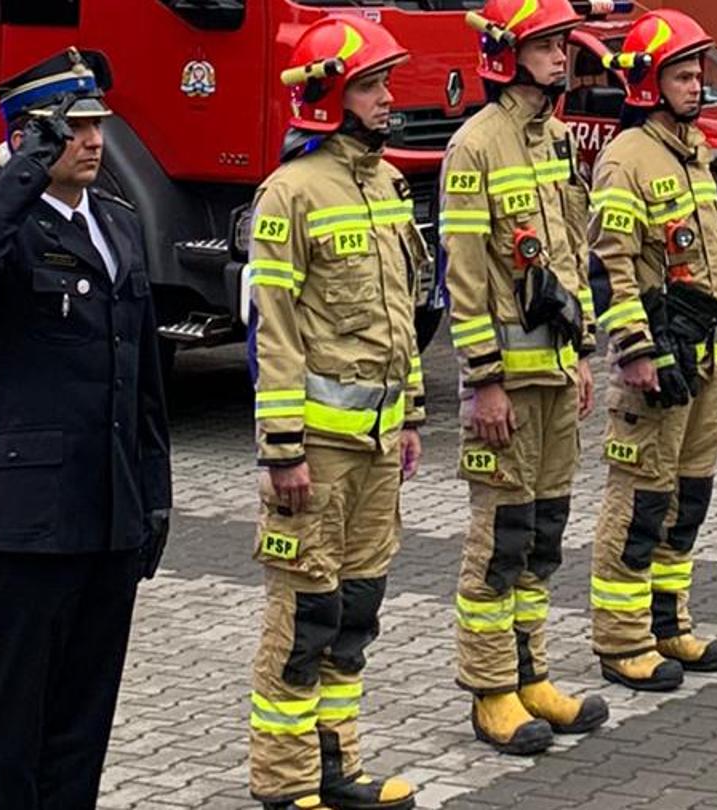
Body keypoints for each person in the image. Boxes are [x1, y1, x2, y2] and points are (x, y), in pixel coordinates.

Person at [0, 48, 172, 810]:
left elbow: (143, 381)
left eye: (98, 124)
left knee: (81, 728)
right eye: (73, 128)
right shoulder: (1, 226)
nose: (94, 141)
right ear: (30, 138)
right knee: (15, 731)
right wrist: (24, 167)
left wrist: (153, 494)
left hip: (108, 519)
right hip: (26, 526)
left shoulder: (118, 225)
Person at [241, 17, 428, 810]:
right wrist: (282, 449)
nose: (388, 99)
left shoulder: (386, 186)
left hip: (377, 448)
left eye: (385, 84)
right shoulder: (290, 194)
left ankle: (336, 768)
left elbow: (401, 314)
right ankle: (286, 785)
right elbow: (273, 333)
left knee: (354, 614)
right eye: (370, 86)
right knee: (304, 619)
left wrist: (411, 413)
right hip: (316, 452)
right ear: (326, 97)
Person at [442, 0, 607, 755]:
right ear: (507, 56)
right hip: (506, 384)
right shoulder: (475, 146)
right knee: (500, 540)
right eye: (546, 46)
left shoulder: (559, 138)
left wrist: (581, 353)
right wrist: (483, 381)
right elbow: (466, 278)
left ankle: (531, 674)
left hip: (554, 376)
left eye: (562, 45)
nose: (560, 58)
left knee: (544, 534)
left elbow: (569, 252)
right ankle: (490, 691)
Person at [584, 9, 717, 692]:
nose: (696, 85)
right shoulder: (628, 159)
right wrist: (634, 351)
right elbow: (610, 264)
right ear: (649, 83)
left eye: (697, 73)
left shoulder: (692, 150)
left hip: (700, 361)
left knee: (689, 497)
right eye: (682, 75)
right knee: (641, 504)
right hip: (656, 366)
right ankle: (622, 639)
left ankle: (669, 621)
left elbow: (710, 263)